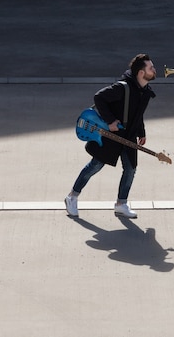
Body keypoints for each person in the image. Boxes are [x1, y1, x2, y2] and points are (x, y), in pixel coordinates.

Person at [65, 54, 157, 219]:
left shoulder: (144, 92)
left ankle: (121, 204)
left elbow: (138, 114)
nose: (154, 69)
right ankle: (72, 196)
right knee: (95, 166)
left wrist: (141, 132)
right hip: (110, 135)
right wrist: (110, 121)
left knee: (130, 169)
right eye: (151, 67)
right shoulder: (122, 88)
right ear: (141, 73)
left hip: (128, 136)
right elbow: (99, 97)